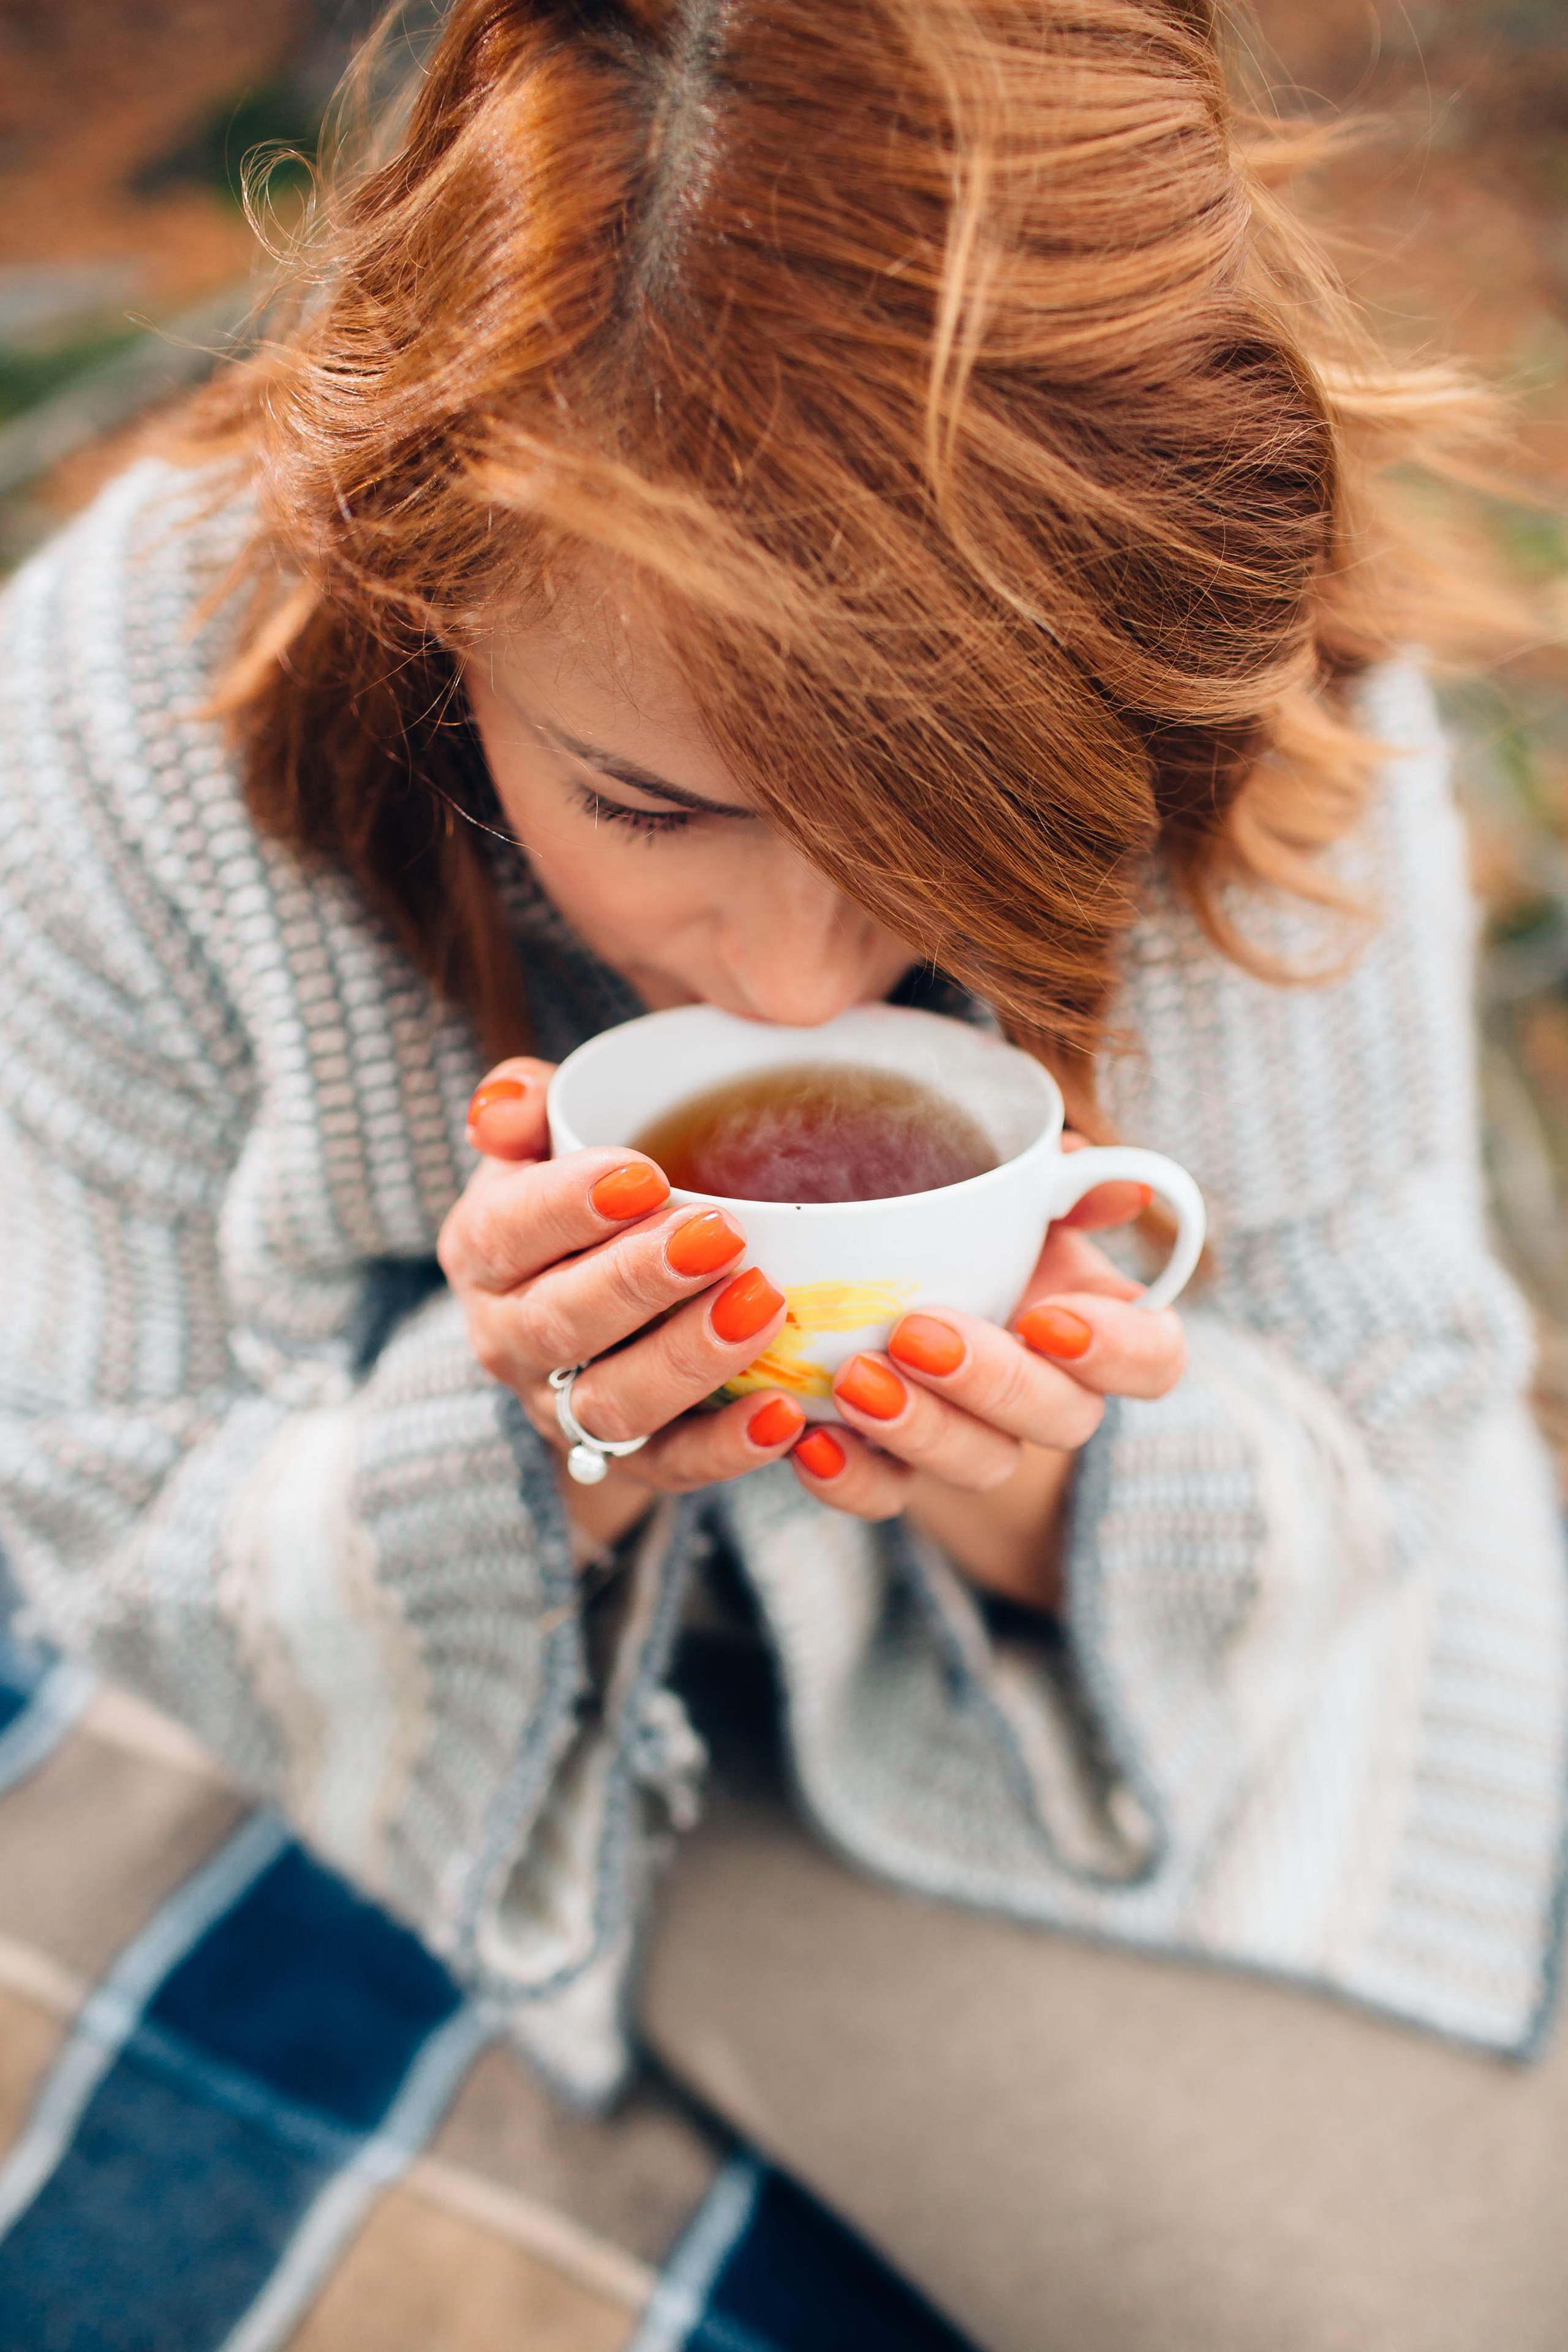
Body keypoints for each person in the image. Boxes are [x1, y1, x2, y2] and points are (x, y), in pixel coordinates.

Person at [0, 1, 1564, 2343]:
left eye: (932, 830)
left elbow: (1395, 1392)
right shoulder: (120, 717)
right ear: (412, 567)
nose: (807, 985)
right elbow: (102, 1496)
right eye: (653, 806)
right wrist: (531, 1450)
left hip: (1127, 1706)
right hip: (553, 1733)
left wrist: (1027, 1490)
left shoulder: (1240, 690)